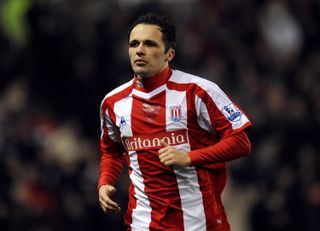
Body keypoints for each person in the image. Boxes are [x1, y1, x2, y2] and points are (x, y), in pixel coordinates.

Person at [98, 12, 252, 231]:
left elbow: (241, 142)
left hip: (199, 223)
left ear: (169, 53)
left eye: (150, 44)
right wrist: (105, 182)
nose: (139, 50)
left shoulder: (198, 91)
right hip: (142, 223)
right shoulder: (113, 103)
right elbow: (112, 152)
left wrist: (190, 157)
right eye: (134, 44)